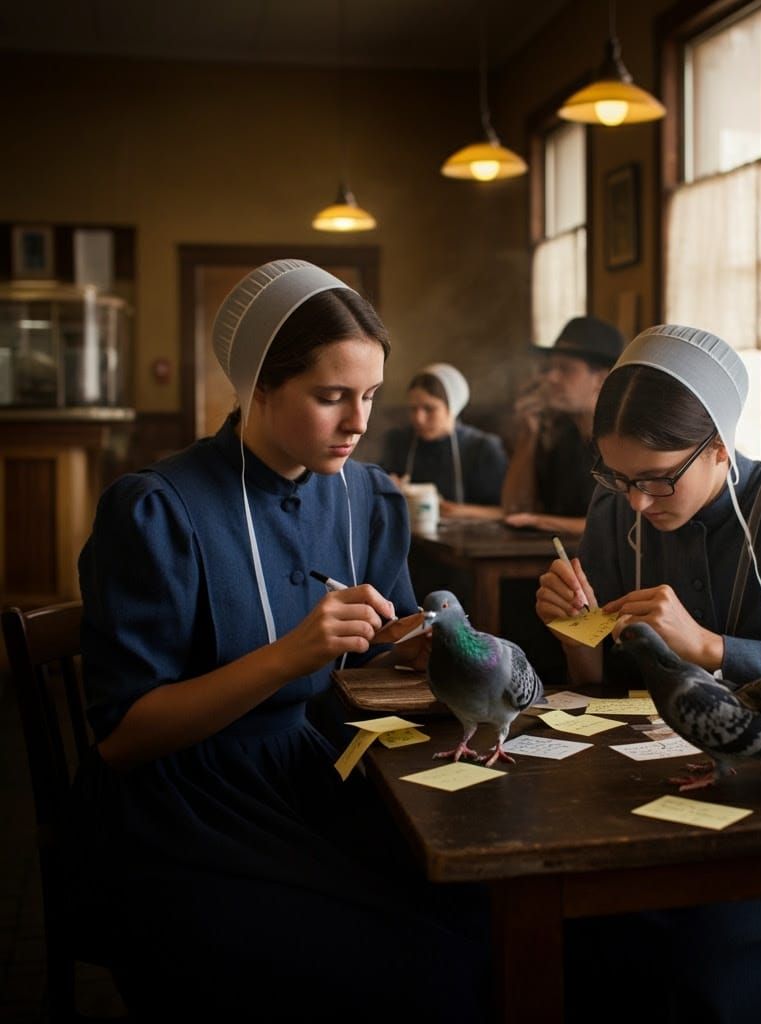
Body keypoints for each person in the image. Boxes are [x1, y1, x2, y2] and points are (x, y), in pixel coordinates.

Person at [70, 260, 488, 1019]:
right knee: (407, 967)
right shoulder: (157, 510)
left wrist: (407, 644)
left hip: (310, 769)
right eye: (330, 397)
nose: (357, 423)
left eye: (368, 396)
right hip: (183, 807)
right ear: (259, 385)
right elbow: (124, 739)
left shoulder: (366, 496)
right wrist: (293, 654)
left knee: (475, 916)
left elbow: (373, 651)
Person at [536, 324, 761, 1023]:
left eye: (658, 479)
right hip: (643, 783)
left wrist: (710, 646)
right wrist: (571, 630)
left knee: (715, 939)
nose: (637, 502)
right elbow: (599, 675)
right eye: (618, 476)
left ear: (720, 449)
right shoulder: (615, 507)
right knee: (582, 921)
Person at [501, 315, 624, 535]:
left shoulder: (623, 441)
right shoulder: (562, 436)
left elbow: (621, 525)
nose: (551, 378)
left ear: (601, 379)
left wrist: (543, 522)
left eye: (565, 369)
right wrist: (528, 435)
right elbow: (515, 508)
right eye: (549, 368)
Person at [380, 362, 507, 519]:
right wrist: (387, 486)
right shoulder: (399, 441)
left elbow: (505, 511)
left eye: (429, 409)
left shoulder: (483, 448)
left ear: (452, 407)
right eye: (413, 409)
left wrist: (454, 511)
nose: (418, 419)